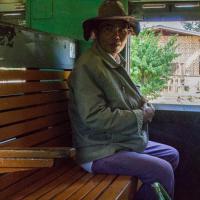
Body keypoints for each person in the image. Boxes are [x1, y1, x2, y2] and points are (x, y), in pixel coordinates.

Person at [68, 0, 179, 199]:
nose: (116, 35)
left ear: (129, 33)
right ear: (96, 33)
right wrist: (140, 116)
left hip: (120, 142)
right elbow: (94, 117)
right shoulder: (88, 66)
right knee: (162, 171)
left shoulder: (113, 61)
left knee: (171, 155)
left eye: (122, 29)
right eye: (108, 28)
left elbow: (127, 97)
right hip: (98, 151)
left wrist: (144, 103)